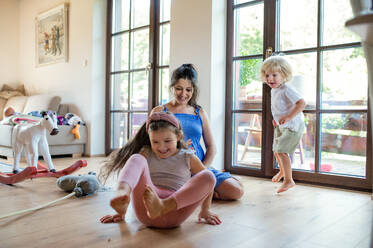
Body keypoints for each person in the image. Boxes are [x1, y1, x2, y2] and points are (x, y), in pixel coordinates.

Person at [99, 111, 221, 228]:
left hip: (175, 211)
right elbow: (133, 173)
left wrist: (206, 210)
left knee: (209, 176)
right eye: (155, 142)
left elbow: (207, 185)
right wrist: (120, 211)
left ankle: (162, 206)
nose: (161, 147)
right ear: (149, 138)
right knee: (137, 158)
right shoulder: (146, 152)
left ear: (178, 136)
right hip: (146, 211)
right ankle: (122, 192)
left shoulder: (187, 156)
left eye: (167, 141)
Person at [151, 64, 244, 200]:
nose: (183, 94)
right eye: (179, 89)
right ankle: (203, 192)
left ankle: (202, 190)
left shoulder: (199, 112)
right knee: (171, 194)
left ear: (194, 90)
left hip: (199, 167)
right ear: (172, 87)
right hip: (172, 170)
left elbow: (211, 147)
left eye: (188, 89)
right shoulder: (159, 111)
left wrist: (203, 170)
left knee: (236, 191)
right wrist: (176, 148)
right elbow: (149, 143)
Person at [260, 55, 306, 193]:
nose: (270, 79)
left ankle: (288, 180)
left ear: (284, 75)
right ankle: (283, 172)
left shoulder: (287, 88)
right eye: (267, 75)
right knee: (276, 150)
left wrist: (288, 117)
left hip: (293, 125)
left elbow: (302, 103)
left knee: (282, 151)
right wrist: (277, 118)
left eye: (274, 75)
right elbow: (279, 107)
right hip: (281, 125)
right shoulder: (274, 90)